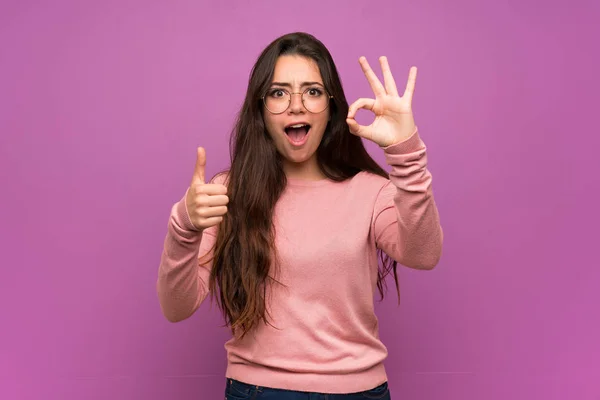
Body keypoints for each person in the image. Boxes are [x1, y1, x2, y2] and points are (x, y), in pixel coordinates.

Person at [157, 32, 443, 400]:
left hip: (358, 391)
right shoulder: (228, 192)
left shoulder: (371, 191)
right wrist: (184, 225)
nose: (296, 106)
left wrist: (407, 156)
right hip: (258, 391)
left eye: (312, 91)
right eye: (278, 93)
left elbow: (424, 254)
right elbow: (175, 308)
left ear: (331, 106)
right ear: (259, 109)